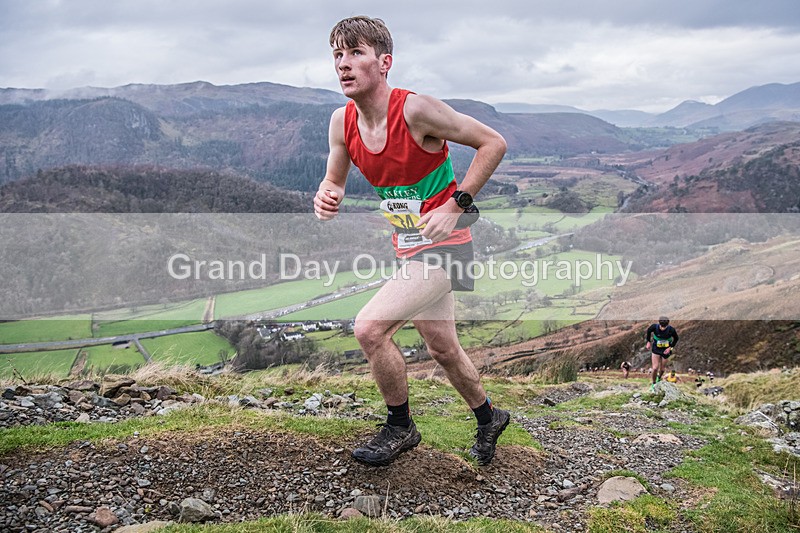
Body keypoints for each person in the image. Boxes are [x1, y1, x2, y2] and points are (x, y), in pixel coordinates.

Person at [315, 16, 509, 467]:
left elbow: (492, 143)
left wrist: (456, 204)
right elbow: (334, 179)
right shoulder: (341, 122)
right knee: (442, 347)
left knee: (369, 328)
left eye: (355, 53)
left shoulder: (417, 110)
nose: (343, 64)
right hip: (408, 245)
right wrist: (328, 195)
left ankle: (400, 427)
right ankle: (489, 417)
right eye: (337, 55)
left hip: (449, 245)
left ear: (384, 62)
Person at [645, 316, 679, 391]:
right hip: (656, 348)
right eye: (661, 327)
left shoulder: (671, 330)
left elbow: (676, 338)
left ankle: (659, 378)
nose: (663, 328)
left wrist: (670, 348)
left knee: (662, 369)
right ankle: (654, 383)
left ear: (667, 325)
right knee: (655, 368)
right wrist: (648, 341)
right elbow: (648, 331)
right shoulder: (654, 327)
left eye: (665, 327)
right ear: (659, 323)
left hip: (666, 349)